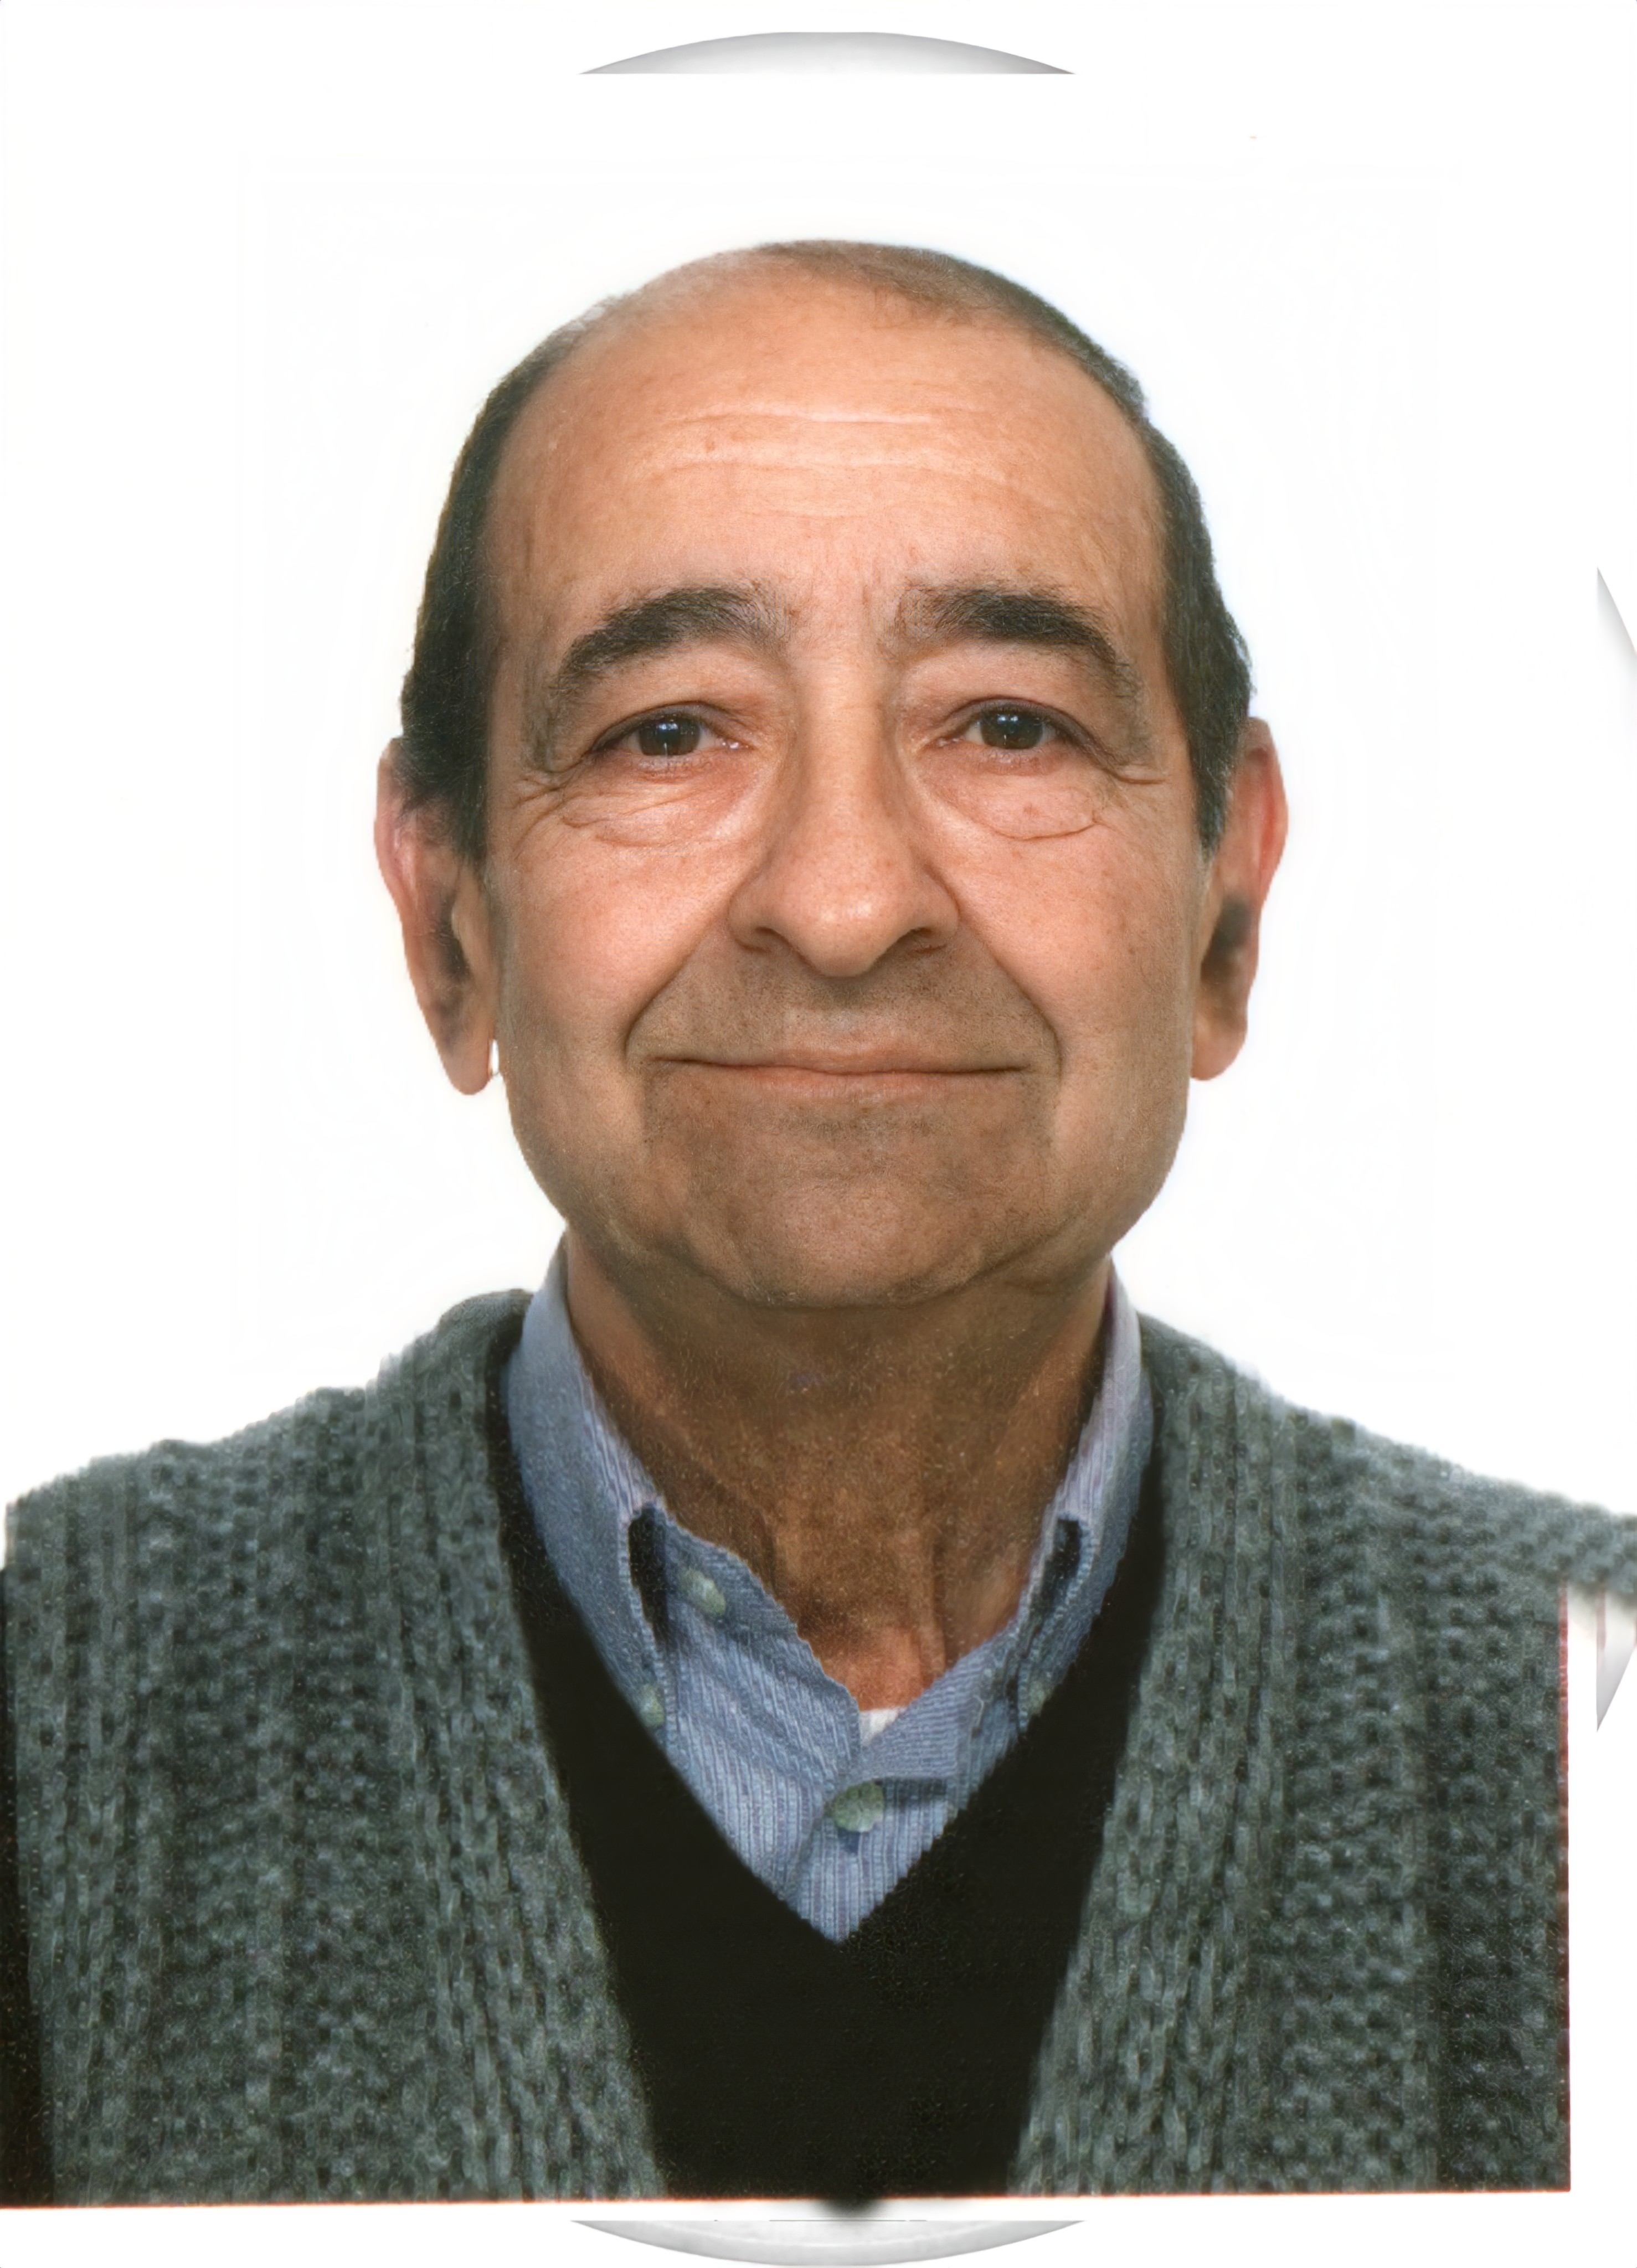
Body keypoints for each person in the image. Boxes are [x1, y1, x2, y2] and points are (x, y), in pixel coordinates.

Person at [3, 241, 1631, 2207]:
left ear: (1224, 902)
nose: (847, 903)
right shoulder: (51, 1713)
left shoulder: (1593, 1703)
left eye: (1008, 725)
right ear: (448, 925)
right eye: (668, 731)